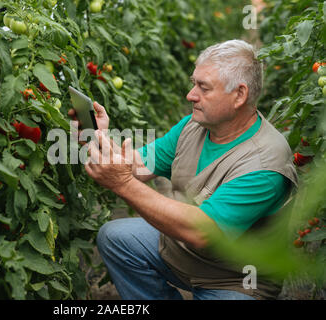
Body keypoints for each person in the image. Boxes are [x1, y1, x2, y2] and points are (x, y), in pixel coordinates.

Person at [69, 39, 298, 300]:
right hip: (181, 252)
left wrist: (121, 184)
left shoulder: (265, 164)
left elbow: (202, 232)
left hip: (234, 278)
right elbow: (137, 165)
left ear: (239, 95)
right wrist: (99, 137)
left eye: (204, 87)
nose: (191, 94)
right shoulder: (195, 126)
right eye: (194, 83)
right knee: (115, 237)